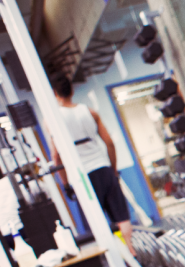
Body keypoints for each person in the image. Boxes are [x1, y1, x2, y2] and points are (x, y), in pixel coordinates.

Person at [47, 74, 136, 257]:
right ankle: (133, 253)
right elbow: (109, 143)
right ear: (71, 91)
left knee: (96, 223)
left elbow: (56, 157)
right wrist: (112, 169)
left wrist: (65, 184)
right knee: (121, 216)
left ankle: (115, 258)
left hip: (81, 176)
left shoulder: (54, 120)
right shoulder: (90, 112)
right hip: (103, 168)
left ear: (55, 94)